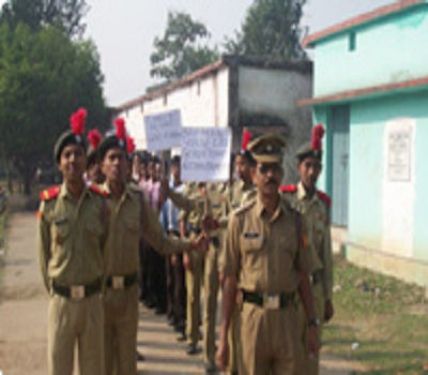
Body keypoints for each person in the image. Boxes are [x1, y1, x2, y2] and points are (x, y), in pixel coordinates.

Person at [99, 118, 206, 375]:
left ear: (127, 164)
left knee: (127, 363)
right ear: (102, 165)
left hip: (128, 295)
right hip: (99, 295)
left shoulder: (137, 200)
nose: (116, 163)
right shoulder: (92, 201)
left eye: (121, 158)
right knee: (101, 363)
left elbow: (160, 240)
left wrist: (190, 244)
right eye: (111, 158)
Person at [216, 133, 320, 375]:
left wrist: (313, 323)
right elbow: (229, 280)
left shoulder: (296, 221)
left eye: (275, 168)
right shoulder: (238, 221)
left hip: (287, 320)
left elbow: (304, 275)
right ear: (254, 175)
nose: (270, 175)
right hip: (253, 320)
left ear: (283, 174)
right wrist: (223, 337)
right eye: (264, 169)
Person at [37, 108, 108, 375]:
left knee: (94, 370)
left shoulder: (100, 203)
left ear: (85, 160)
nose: (73, 160)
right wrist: (56, 289)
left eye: (78, 154)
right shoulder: (50, 204)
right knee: (59, 369)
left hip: (92, 302)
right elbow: (44, 254)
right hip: (62, 303)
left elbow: (106, 248)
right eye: (67, 155)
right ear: (59, 163)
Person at [281, 124, 334, 374]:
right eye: (307, 166)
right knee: (291, 352)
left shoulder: (322, 205)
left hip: (315, 289)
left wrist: (329, 297)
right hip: (292, 289)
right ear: (299, 168)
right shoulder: (287, 200)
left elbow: (325, 256)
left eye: (316, 167)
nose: (312, 172)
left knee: (313, 354)